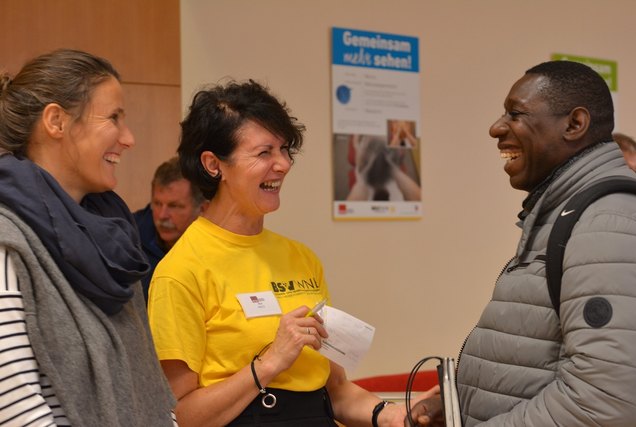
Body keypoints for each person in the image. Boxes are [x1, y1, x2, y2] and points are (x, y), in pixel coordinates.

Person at [147, 80, 437, 426]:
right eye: (264, 152)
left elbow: (336, 390)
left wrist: (392, 415)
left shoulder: (301, 258)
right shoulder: (180, 272)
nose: (283, 164)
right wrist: (268, 364)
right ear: (214, 164)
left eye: (285, 150)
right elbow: (179, 416)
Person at [408, 60, 636, 426]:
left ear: (574, 124)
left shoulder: (608, 222)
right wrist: (459, 403)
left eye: (515, 114)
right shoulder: (566, 212)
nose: (496, 128)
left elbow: (604, 402)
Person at [0, 49, 176, 425]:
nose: (128, 138)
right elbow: (16, 407)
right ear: (56, 121)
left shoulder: (113, 237)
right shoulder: (8, 240)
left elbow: (152, 389)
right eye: (113, 117)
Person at [134, 156, 208, 302]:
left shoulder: (216, 245)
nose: (162, 215)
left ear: (202, 209)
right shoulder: (128, 235)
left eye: (174, 206)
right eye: (157, 203)